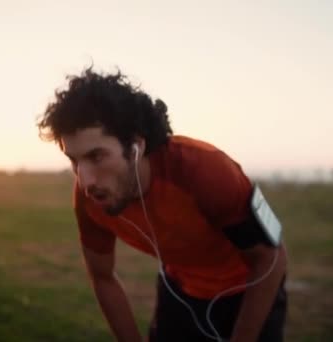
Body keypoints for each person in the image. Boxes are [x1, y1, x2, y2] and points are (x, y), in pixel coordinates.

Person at [37, 66, 288, 342]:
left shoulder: (203, 169)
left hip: (247, 289)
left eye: (96, 156)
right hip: (179, 289)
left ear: (136, 147)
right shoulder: (90, 198)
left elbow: (271, 256)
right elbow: (102, 276)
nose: (85, 181)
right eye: (74, 161)